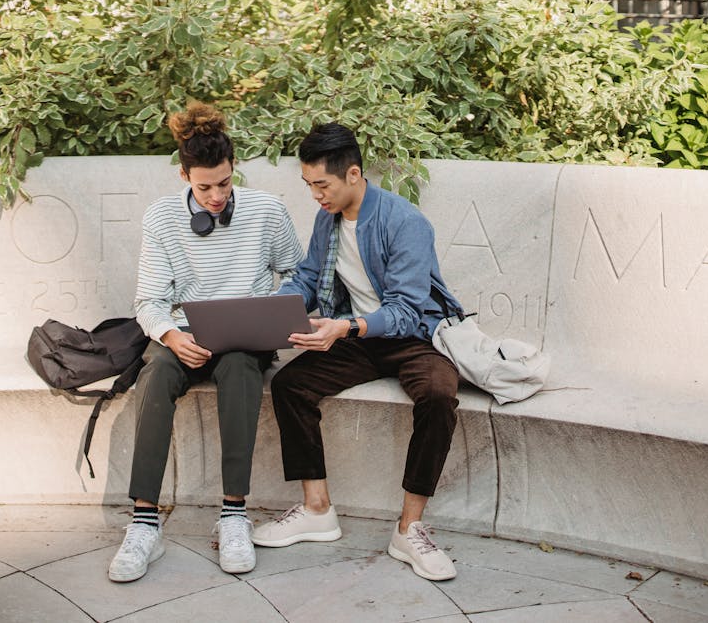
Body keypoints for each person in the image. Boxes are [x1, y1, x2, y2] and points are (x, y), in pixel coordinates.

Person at [250, 123, 463, 581]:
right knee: (290, 385)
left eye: (321, 185)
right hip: (356, 337)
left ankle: (410, 527)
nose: (315, 196)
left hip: (412, 339)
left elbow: (407, 310)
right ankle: (317, 509)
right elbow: (308, 277)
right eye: (308, 185)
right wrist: (274, 312)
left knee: (440, 394)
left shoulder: (404, 223)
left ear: (352, 174)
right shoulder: (328, 220)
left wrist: (345, 326)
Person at [108, 102, 304, 582]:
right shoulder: (160, 219)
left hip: (245, 333)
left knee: (240, 370)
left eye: (223, 183)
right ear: (184, 175)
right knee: (153, 376)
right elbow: (149, 301)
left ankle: (234, 514)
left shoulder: (266, 210)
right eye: (204, 187)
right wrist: (173, 336)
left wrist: (269, 308)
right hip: (184, 334)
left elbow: (299, 273)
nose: (216, 196)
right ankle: (144, 523)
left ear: (233, 167)